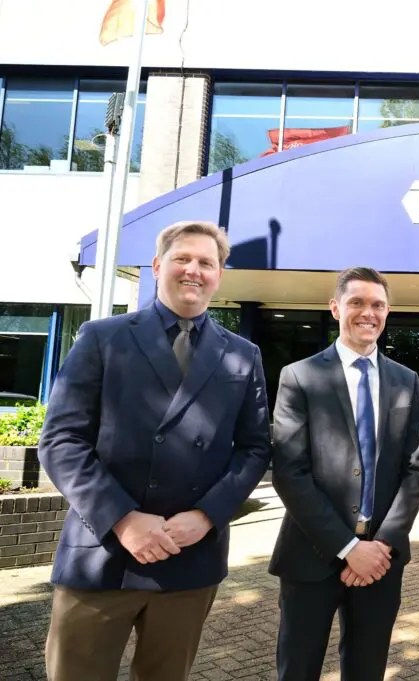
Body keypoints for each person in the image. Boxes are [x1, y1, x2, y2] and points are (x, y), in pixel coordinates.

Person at [37, 220, 271, 681]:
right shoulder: (103, 337)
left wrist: (205, 516)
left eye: (207, 262)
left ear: (220, 274)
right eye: (183, 258)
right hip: (103, 552)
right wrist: (124, 520)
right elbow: (61, 440)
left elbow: (255, 448)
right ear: (158, 265)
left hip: (190, 557)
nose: (194, 270)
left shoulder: (243, 354)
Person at [268, 266, 419, 681]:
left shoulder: (405, 381)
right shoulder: (300, 377)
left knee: (367, 670)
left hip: (381, 560)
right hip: (311, 555)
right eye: (357, 302)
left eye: (377, 305)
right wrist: (346, 547)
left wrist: (382, 545)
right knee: (297, 670)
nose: (367, 313)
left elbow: (415, 470)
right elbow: (290, 472)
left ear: (388, 312)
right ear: (335, 307)